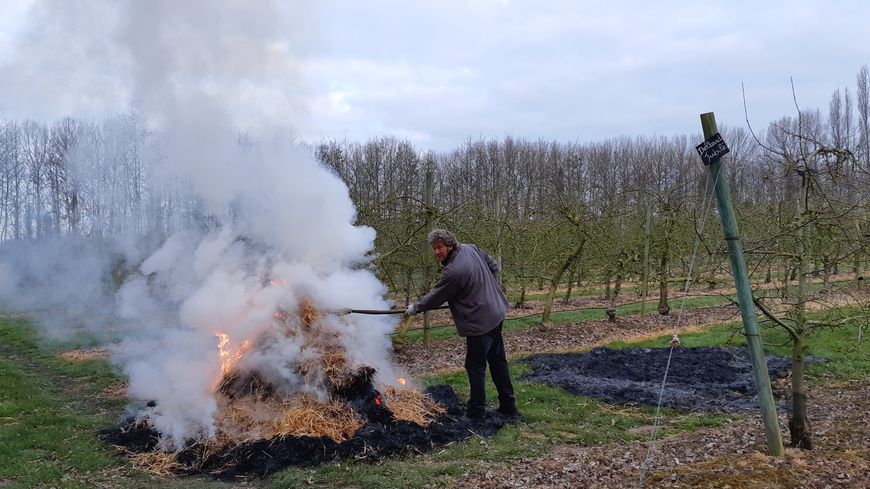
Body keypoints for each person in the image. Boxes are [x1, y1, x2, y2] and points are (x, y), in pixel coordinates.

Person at [405, 229, 519, 420]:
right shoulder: (470, 248)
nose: (436, 252)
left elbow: (437, 296)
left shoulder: (455, 271)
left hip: (480, 322)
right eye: (434, 248)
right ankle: (508, 406)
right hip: (496, 312)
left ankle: (475, 412)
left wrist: (415, 308)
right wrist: (488, 289)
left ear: (450, 246)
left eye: (439, 247)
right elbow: (494, 265)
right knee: (498, 361)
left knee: (475, 366)